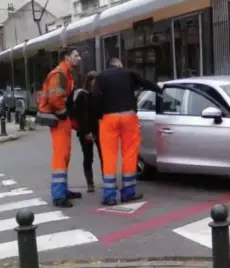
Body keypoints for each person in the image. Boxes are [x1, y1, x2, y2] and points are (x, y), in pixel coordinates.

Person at [92, 57, 162, 206]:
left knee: (109, 155)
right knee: (130, 153)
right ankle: (128, 192)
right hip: (129, 117)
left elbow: (95, 96)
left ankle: (109, 195)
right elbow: (145, 83)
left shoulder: (101, 76)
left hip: (109, 118)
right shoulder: (128, 73)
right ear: (119, 64)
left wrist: (99, 115)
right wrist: (160, 90)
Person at [35, 47, 83, 208]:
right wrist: (63, 114)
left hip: (62, 119)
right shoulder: (60, 73)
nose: (79, 58)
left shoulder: (65, 73)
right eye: (76, 55)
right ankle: (58, 195)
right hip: (59, 119)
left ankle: (62, 190)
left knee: (65, 155)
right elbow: (55, 99)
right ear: (67, 57)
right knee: (60, 156)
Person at [71, 71, 102, 193]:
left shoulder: (99, 95)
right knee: (88, 157)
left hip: (99, 130)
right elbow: (79, 116)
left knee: (104, 156)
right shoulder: (82, 95)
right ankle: (90, 183)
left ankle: (108, 180)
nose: (96, 83)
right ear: (89, 81)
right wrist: (86, 132)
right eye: (94, 81)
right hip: (86, 132)